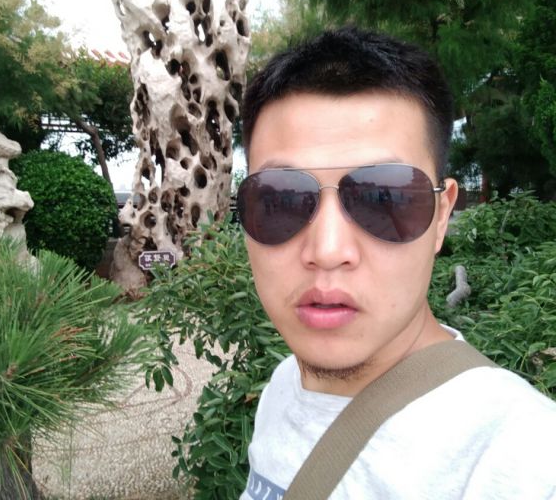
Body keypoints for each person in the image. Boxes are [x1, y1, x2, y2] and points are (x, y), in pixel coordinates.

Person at [236, 26, 556, 499]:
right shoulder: (284, 386)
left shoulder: (519, 456)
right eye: (280, 199)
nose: (328, 250)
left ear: (442, 216)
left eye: (382, 198)